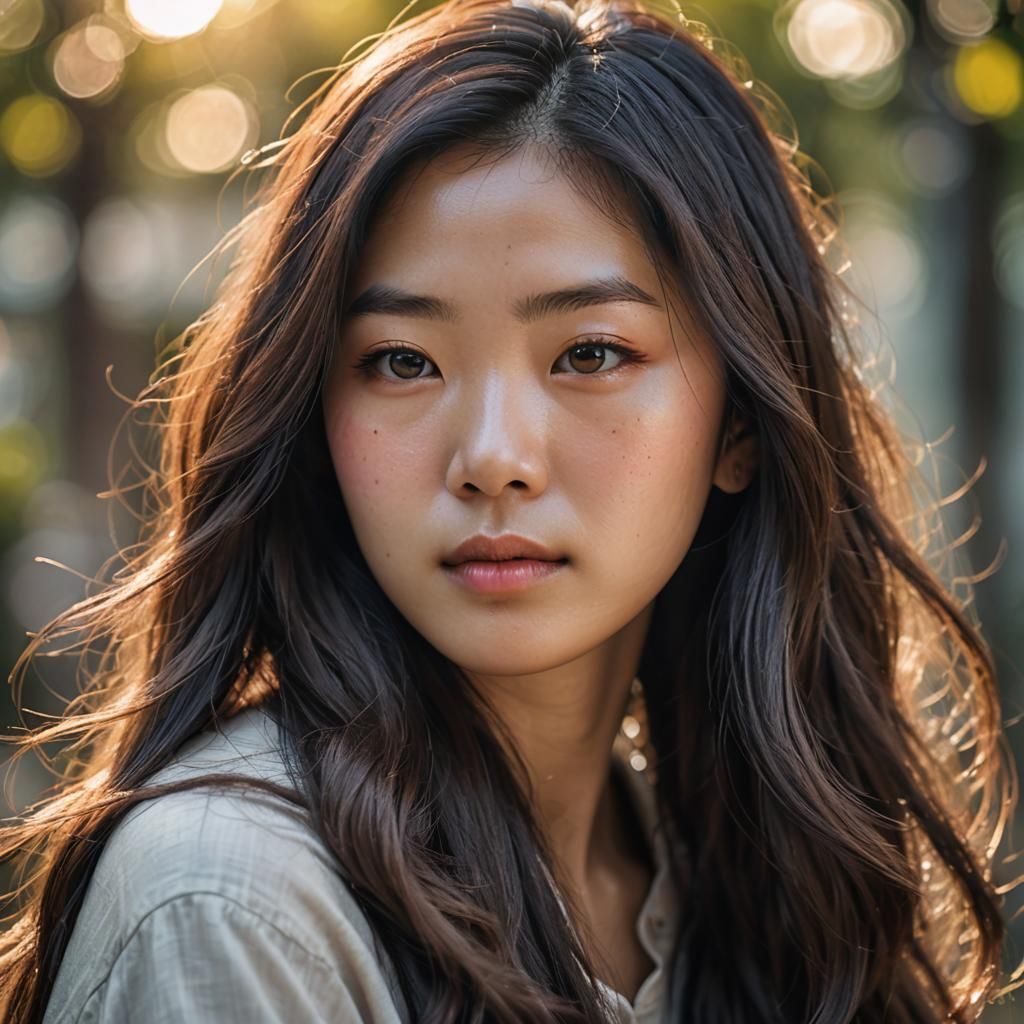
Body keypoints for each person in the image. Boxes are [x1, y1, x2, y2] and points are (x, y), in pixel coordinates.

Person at [0, 0, 1016, 1021]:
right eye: (402, 362)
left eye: (590, 354)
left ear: (741, 423)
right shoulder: (234, 902)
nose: (492, 459)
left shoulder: (739, 870)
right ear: (317, 416)